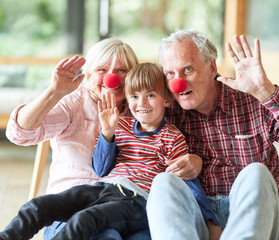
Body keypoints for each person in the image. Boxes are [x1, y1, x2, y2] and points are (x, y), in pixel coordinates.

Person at [146, 29, 279, 239]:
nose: (177, 83)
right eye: (170, 74)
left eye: (188, 69)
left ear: (211, 67)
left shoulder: (252, 98)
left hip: (255, 216)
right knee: (163, 183)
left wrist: (266, 92)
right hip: (198, 218)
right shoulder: (165, 111)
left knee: (256, 173)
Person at [0, 63, 221, 240]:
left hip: (136, 202)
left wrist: (211, 222)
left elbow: (189, 181)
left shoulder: (171, 137)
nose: (141, 103)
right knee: (37, 206)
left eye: (150, 95)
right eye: (134, 96)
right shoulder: (122, 126)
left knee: (84, 221)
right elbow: (100, 168)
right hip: (102, 188)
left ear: (167, 99)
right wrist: (107, 133)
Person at [5, 38, 141, 239]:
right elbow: (19, 134)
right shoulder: (74, 101)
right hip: (69, 212)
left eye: (122, 70)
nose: (112, 78)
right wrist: (54, 92)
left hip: (120, 212)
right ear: (88, 74)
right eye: (102, 70)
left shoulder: (142, 108)